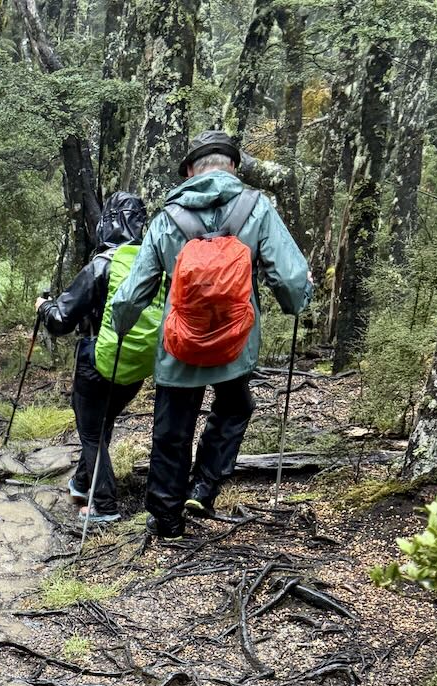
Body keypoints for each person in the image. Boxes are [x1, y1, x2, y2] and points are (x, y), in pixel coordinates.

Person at [109, 129, 311, 538]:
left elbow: (133, 293)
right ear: (233, 166)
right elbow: (290, 280)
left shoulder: (168, 219)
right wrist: (296, 304)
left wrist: (120, 324)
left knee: (172, 429)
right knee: (235, 406)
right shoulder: (257, 208)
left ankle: (167, 519)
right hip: (235, 344)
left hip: (180, 344)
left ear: (189, 171)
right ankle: (204, 484)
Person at [36, 191, 155, 524]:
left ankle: (104, 504)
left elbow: (61, 321)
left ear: (108, 223)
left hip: (97, 360)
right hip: (136, 364)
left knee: (91, 431)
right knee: (102, 423)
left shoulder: (101, 265)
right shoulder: (152, 262)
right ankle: (81, 482)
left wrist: (43, 307)